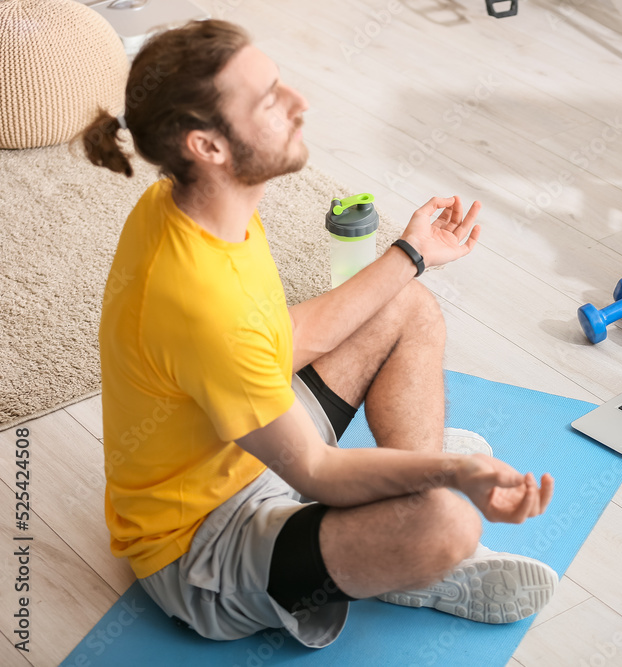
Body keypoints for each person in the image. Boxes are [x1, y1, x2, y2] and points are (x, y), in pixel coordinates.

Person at [79, 20, 556, 649]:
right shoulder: (203, 304)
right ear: (209, 146)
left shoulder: (184, 204)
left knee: (407, 304)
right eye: (271, 100)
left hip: (242, 445)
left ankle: (383, 536)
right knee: (446, 525)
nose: (299, 103)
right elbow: (317, 472)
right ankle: (407, 559)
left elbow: (278, 337)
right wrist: (453, 472)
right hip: (200, 545)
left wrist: (412, 250)